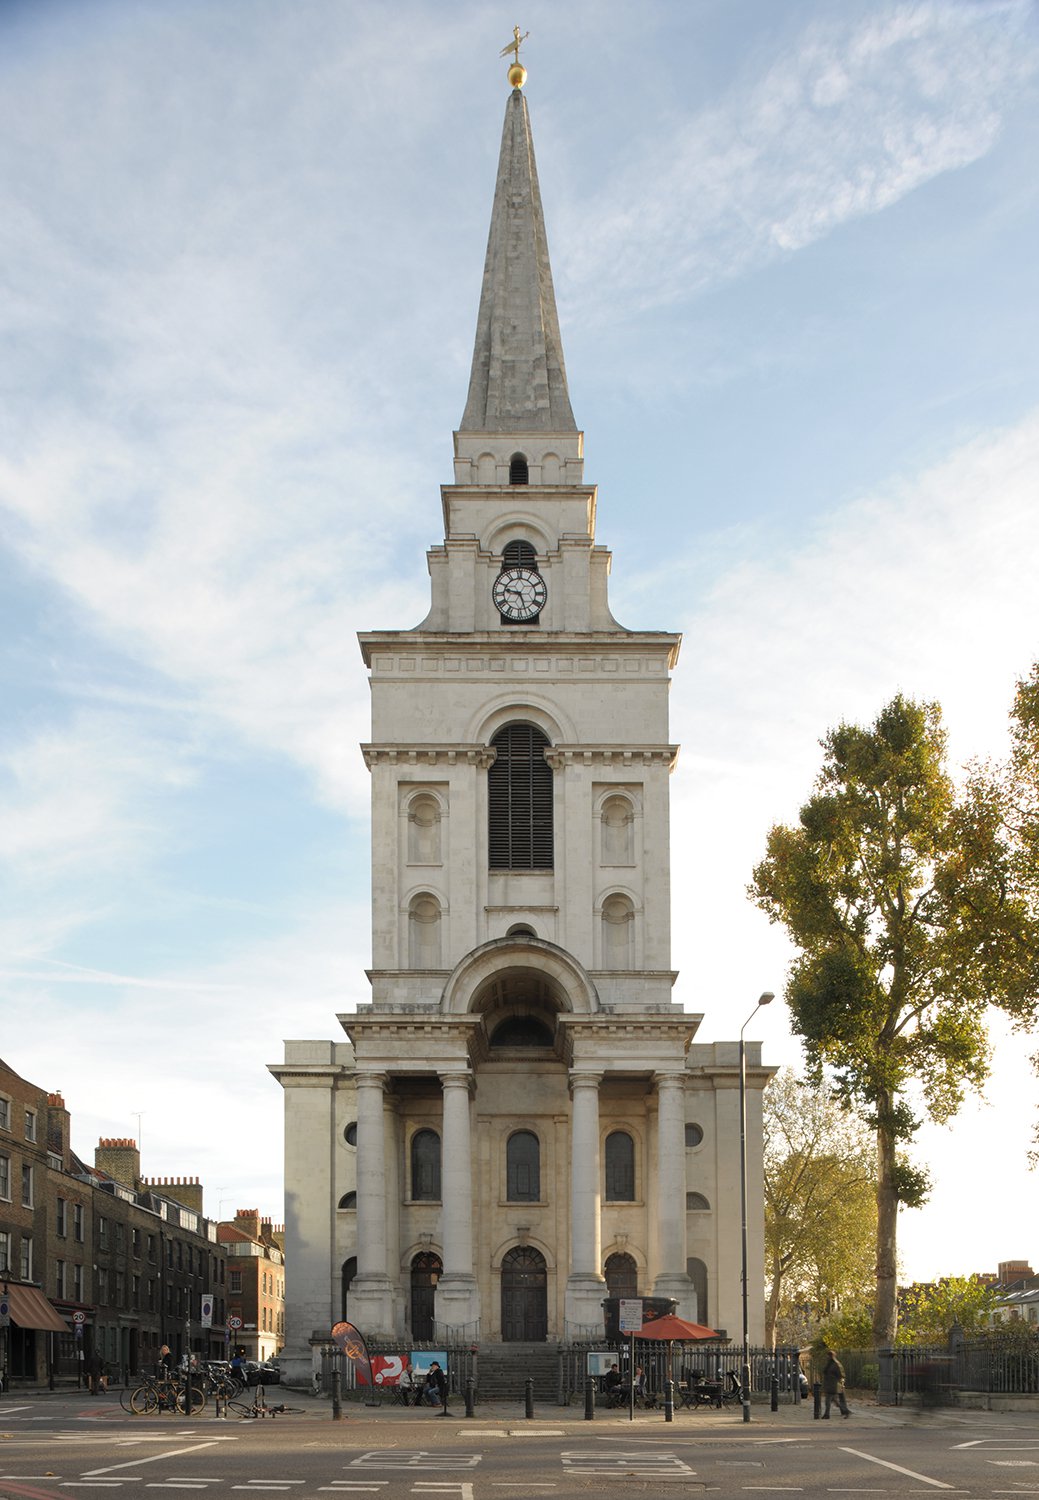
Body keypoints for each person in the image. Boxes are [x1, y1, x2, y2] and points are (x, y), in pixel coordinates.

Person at [821, 1349, 851, 1418]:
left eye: (829, 1356)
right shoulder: (829, 1364)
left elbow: (842, 1375)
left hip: (834, 1385)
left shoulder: (836, 1364)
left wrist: (841, 1384)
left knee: (830, 1400)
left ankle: (844, 1411)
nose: (827, 1357)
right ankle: (828, 1414)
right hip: (829, 1384)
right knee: (832, 1400)